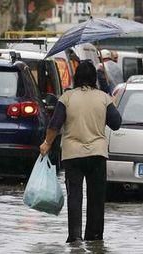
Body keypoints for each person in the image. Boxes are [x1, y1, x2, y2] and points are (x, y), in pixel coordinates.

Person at [39, 61, 122, 243]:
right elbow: (116, 123)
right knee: (96, 198)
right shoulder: (103, 98)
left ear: (76, 77)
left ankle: (75, 237)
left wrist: (47, 143)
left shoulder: (67, 97)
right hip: (97, 155)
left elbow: (55, 125)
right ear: (94, 78)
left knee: (74, 196)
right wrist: (110, 102)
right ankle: (94, 237)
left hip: (73, 155)